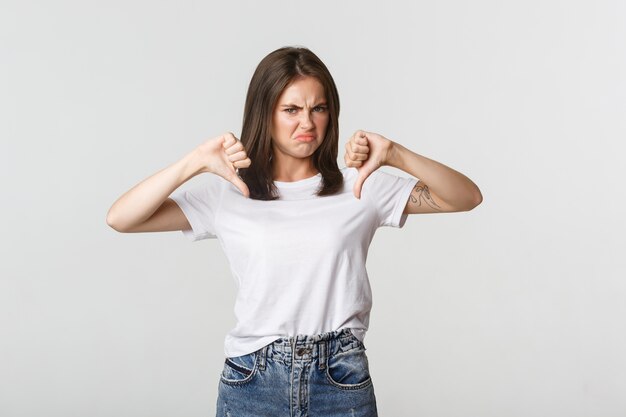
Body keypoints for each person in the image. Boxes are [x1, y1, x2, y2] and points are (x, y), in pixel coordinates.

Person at [106, 45, 482, 417]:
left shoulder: (360, 186)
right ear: (264, 114)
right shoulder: (229, 193)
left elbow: (465, 197)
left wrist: (395, 153)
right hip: (252, 379)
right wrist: (195, 162)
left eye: (318, 108)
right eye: (291, 110)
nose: (307, 123)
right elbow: (122, 218)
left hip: (339, 378)